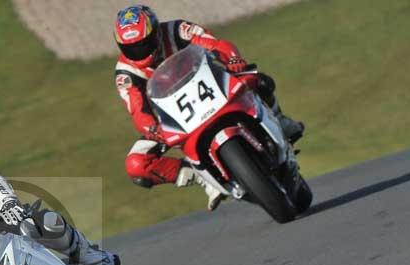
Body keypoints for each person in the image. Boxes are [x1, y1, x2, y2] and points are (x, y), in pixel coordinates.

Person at [113, 5, 304, 210]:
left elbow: (215, 44)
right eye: (131, 48)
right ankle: (202, 178)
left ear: (157, 31)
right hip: (175, 117)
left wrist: (233, 59)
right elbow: (137, 109)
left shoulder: (177, 30)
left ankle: (279, 119)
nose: (139, 51)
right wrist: (152, 128)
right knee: (136, 164)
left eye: (144, 43)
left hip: (212, 86)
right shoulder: (125, 73)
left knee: (258, 79)